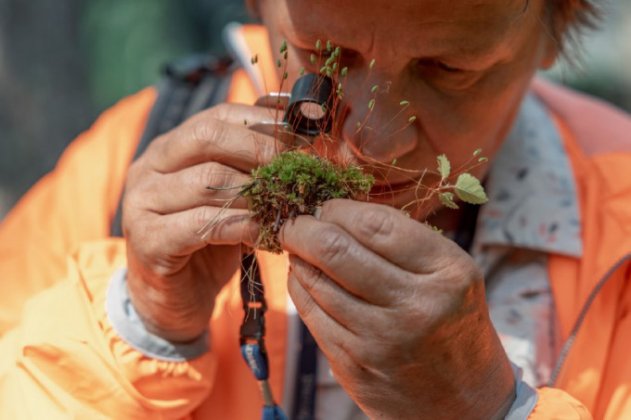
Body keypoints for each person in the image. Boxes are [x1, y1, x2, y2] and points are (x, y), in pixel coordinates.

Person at [1, 0, 630, 418]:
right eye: (325, 54)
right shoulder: (122, 173)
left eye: (446, 69)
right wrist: (138, 324)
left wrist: (488, 407)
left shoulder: (619, 226)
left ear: (557, 28)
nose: (372, 142)